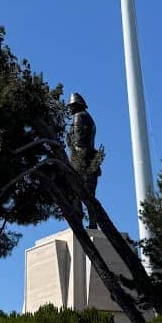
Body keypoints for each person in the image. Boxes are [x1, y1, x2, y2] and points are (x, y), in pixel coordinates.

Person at [66, 92, 104, 227]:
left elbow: (80, 142)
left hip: (81, 161)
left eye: (71, 106)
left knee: (76, 193)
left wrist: (74, 159)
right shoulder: (88, 118)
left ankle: (79, 223)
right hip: (89, 160)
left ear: (77, 105)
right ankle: (92, 223)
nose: (69, 109)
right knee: (89, 195)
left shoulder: (79, 117)